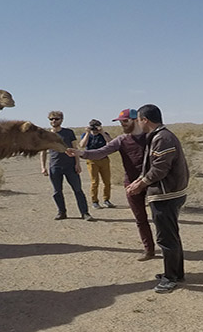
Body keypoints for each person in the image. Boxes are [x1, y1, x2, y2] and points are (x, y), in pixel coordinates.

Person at [75, 108, 156, 260]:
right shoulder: (121, 140)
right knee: (140, 219)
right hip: (131, 184)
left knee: (160, 218)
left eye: (125, 121)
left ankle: (169, 251)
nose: (123, 124)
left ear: (136, 120)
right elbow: (102, 151)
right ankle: (149, 250)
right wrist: (81, 153)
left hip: (153, 182)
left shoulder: (151, 138)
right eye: (121, 122)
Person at [128, 104, 188, 293]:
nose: (138, 123)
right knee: (171, 235)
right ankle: (175, 272)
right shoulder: (159, 136)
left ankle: (170, 278)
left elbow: (160, 169)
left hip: (167, 195)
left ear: (145, 120)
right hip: (168, 193)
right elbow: (152, 166)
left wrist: (140, 184)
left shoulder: (163, 138)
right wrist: (139, 179)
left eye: (139, 120)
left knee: (166, 237)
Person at [40, 110, 95, 221]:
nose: (54, 121)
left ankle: (85, 213)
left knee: (78, 190)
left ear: (62, 120)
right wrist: (43, 167)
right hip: (54, 166)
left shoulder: (68, 132)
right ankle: (61, 212)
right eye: (51, 119)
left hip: (70, 166)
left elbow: (75, 149)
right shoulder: (46, 135)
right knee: (57, 191)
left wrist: (77, 164)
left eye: (56, 119)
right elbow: (43, 151)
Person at [78, 119, 114, 209]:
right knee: (95, 182)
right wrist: (87, 133)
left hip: (104, 159)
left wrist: (102, 132)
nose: (95, 129)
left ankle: (106, 199)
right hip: (92, 161)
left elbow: (111, 143)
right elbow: (82, 145)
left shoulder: (103, 134)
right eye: (93, 127)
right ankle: (95, 201)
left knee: (107, 181)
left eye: (96, 126)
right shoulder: (87, 135)